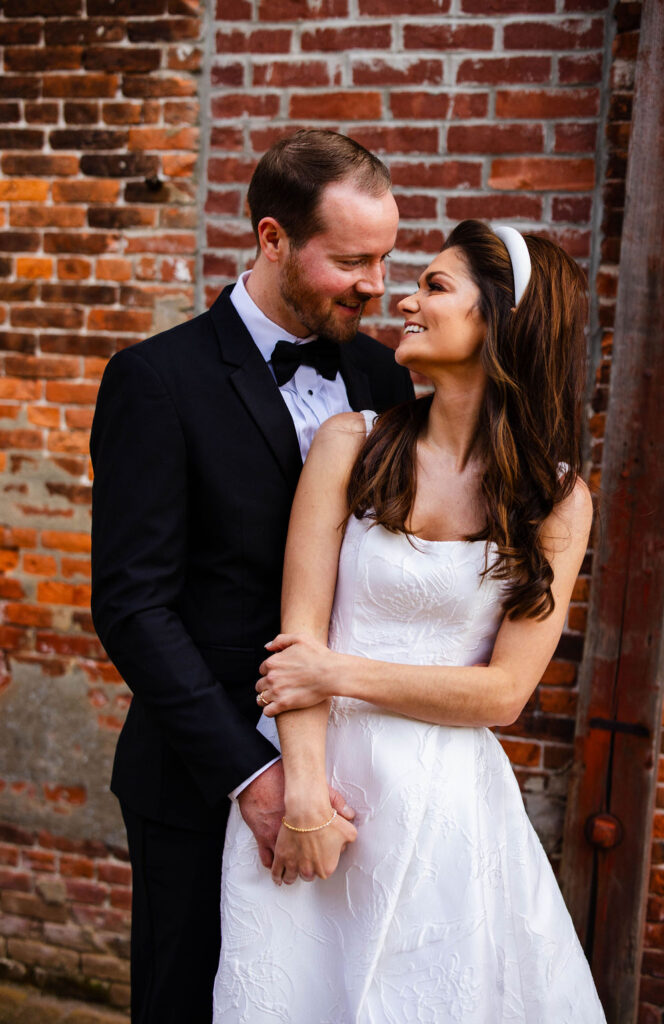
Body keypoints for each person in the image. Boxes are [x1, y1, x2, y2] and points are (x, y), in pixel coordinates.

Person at [213, 220, 606, 1022]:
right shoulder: (348, 444)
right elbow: (299, 637)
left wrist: (338, 671)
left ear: (499, 319)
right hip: (319, 780)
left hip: (445, 804)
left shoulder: (558, 499)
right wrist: (306, 803)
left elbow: (502, 694)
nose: (405, 296)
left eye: (434, 285)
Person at [89, 129, 413, 1024]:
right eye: (351, 260)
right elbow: (131, 606)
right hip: (202, 782)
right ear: (272, 239)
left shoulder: (386, 376)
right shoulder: (155, 380)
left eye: (386, 260)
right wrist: (254, 778)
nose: (375, 286)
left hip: (356, 779)